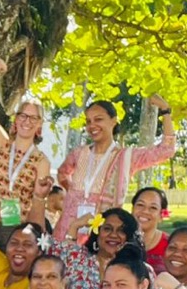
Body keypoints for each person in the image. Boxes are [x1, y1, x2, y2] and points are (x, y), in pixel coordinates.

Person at [52, 98, 176, 240]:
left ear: (114, 121)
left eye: (98, 119)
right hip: (68, 229)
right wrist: (74, 195)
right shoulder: (78, 153)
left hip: (101, 232)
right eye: (88, 121)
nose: (92, 125)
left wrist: (165, 111)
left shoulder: (126, 157)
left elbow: (166, 150)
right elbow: (62, 173)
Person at [0, 59, 51, 227]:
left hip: (16, 230)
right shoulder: (1, 143)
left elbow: (38, 202)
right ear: (15, 120)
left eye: (33, 118)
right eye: (23, 115)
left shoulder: (41, 161)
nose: (26, 121)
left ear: (39, 125)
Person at [131, 186, 171, 273]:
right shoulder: (119, 240)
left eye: (153, 208)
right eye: (140, 205)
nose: (145, 211)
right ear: (132, 209)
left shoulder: (171, 245)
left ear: (161, 215)